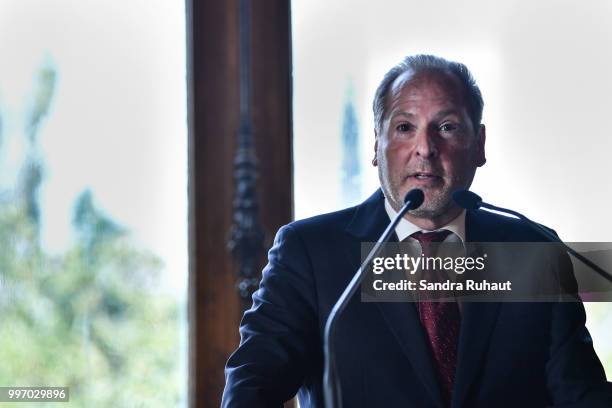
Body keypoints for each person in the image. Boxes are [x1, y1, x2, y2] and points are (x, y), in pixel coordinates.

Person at [221, 55, 610, 407]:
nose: (425, 147)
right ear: (377, 144)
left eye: (447, 126)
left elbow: (580, 393)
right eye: (405, 126)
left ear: (479, 144)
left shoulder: (534, 249)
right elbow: (251, 389)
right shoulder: (309, 252)